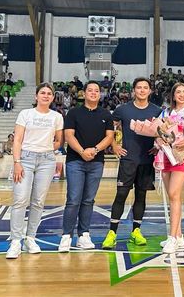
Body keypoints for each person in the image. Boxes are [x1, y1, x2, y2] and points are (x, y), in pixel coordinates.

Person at [102, 78, 162, 250]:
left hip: (146, 160)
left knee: (141, 196)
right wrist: (114, 145)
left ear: (150, 91)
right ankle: (112, 233)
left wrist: (158, 146)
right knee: (121, 195)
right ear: (134, 90)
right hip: (128, 159)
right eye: (139, 87)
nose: (142, 90)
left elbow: (163, 133)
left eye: (145, 87)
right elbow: (110, 128)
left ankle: (136, 231)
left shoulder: (157, 111)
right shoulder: (123, 109)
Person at [6, 83, 64, 259]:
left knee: (38, 201)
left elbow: (59, 141)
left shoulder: (57, 117)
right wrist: (17, 162)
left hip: (47, 160)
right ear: (36, 96)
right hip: (25, 159)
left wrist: (46, 148)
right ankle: (16, 241)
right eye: (42, 93)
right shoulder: (26, 114)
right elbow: (17, 140)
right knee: (20, 200)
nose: (46, 96)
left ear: (52, 98)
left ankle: (30, 238)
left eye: (49, 93)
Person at [58, 81, 114, 252]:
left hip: (96, 162)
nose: (93, 93)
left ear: (100, 94)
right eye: (90, 90)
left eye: (96, 90)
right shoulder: (74, 113)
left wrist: (95, 150)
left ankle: (83, 235)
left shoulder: (106, 114)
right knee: (73, 199)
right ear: (84, 93)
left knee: (88, 200)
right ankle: (66, 236)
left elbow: (109, 137)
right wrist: (82, 151)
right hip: (75, 161)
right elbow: (69, 135)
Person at [160, 82, 184, 254]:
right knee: (173, 197)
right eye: (178, 92)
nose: (182, 94)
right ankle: (179, 234)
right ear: (173, 95)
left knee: (173, 193)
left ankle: (172, 238)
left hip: (181, 157)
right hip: (166, 156)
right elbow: (159, 133)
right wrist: (160, 140)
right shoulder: (165, 113)